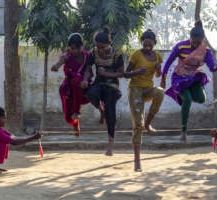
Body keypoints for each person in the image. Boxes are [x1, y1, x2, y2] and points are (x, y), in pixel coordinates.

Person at [161, 20, 217, 142]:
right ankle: (183, 131)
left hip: (194, 78)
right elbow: (169, 62)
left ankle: (185, 96)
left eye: (199, 43)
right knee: (188, 100)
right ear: (190, 38)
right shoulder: (180, 46)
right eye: (194, 42)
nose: (196, 45)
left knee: (201, 99)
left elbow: (213, 68)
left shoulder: (205, 50)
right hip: (180, 78)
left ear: (202, 40)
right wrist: (163, 78)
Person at [124, 29, 164, 171]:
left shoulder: (158, 56)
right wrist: (136, 72)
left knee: (160, 92)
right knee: (137, 125)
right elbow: (126, 74)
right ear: (142, 42)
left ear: (154, 43)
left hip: (148, 89)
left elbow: (158, 75)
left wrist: (159, 70)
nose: (147, 46)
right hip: (135, 90)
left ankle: (148, 124)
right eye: (145, 44)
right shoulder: (136, 54)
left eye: (150, 44)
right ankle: (137, 161)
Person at [81, 27, 124, 156]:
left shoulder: (117, 55)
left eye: (103, 47)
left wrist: (106, 73)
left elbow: (122, 74)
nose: (100, 50)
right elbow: (88, 69)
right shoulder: (93, 53)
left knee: (111, 113)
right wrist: (84, 79)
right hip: (98, 83)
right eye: (98, 47)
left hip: (112, 86)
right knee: (89, 93)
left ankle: (111, 143)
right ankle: (101, 111)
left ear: (109, 44)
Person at [51, 33, 90, 136]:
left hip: (83, 86)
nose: (75, 51)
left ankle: (77, 111)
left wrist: (85, 80)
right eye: (72, 48)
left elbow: (88, 70)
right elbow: (60, 61)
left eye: (77, 48)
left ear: (82, 46)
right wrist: (56, 66)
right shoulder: (67, 55)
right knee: (68, 119)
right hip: (68, 88)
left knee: (77, 80)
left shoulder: (87, 56)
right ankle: (75, 123)